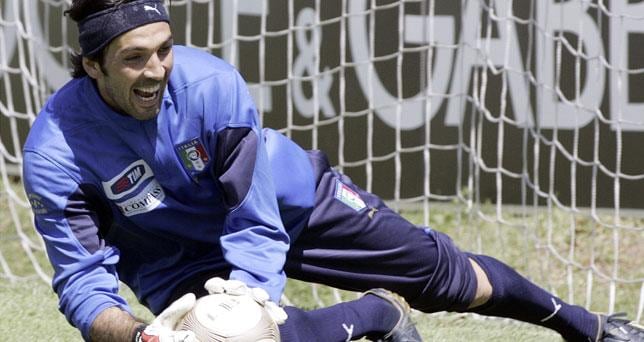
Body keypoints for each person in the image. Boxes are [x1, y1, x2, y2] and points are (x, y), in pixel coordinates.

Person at [20, 0, 643, 341]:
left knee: (447, 278)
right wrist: (138, 340)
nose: (157, 70)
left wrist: (249, 302)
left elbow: (253, 216)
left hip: (293, 203)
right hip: (173, 257)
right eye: (134, 59)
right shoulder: (56, 152)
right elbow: (81, 279)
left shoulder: (212, 85)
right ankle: (378, 315)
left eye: (164, 49)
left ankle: (586, 327)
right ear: (91, 66)